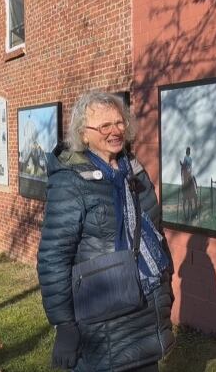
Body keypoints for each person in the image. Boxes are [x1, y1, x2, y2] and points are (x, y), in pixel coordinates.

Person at [37, 91, 174, 371]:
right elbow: (53, 258)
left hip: (147, 308)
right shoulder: (70, 182)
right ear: (83, 135)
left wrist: (166, 281)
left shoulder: (133, 170)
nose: (115, 131)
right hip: (104, 317)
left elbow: (155, 232)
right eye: (104, 126)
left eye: (120, 122)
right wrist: (64, 323)